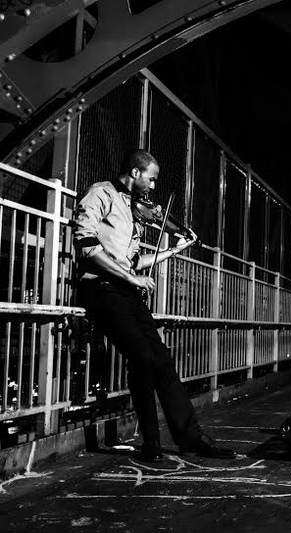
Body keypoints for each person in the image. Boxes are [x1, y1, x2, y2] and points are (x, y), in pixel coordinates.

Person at [73, 148, 235, 462]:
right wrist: (132, 279)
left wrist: (173, 251)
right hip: (101, 290)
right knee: (143, 355)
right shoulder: (100, 194)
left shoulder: (131, 212)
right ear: (136, 172)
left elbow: (135, 261)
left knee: (162, 360)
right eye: (152, 178)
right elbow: (87, 248)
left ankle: (192, 437)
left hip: (126, 292)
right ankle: (152, 443)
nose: (153, 187)